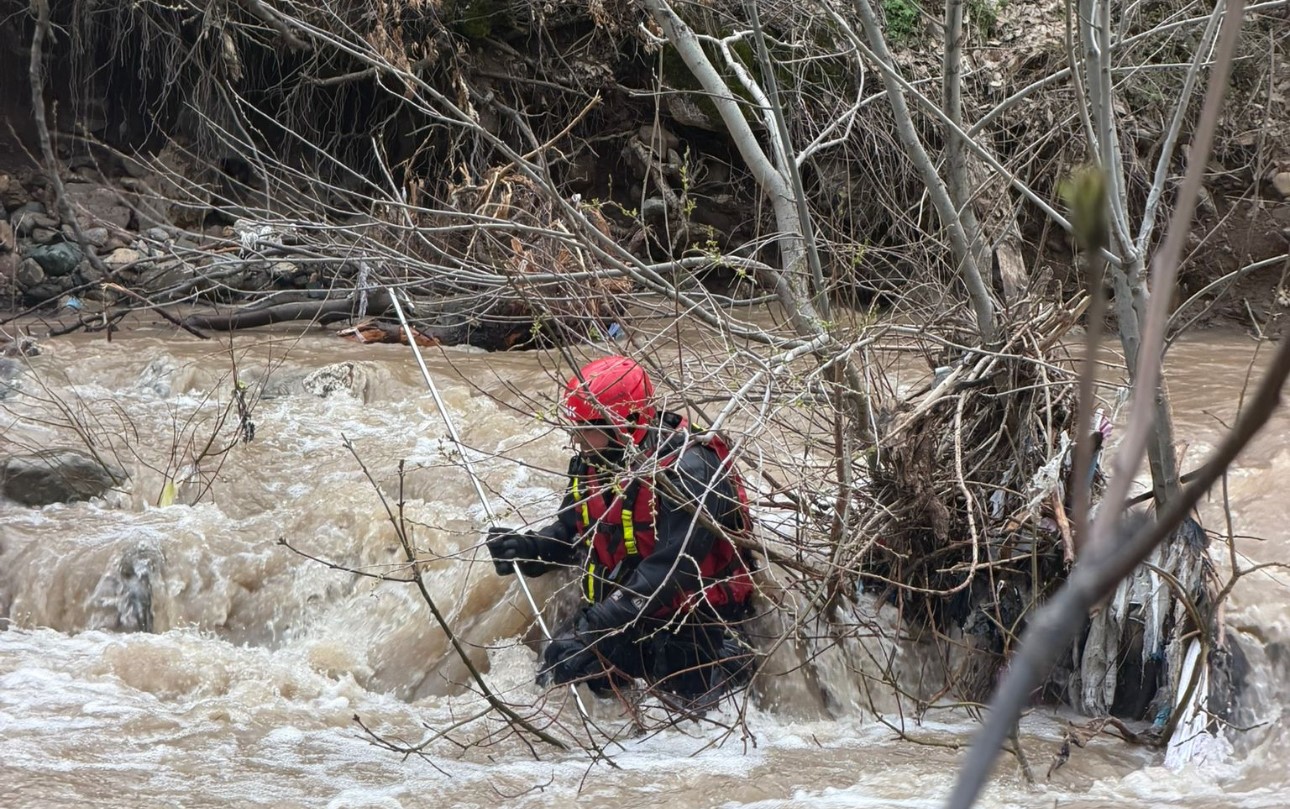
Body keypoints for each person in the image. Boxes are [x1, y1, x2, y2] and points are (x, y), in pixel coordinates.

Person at [485, 355, 757, 708]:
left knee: (683, 726)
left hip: (701, 631)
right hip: (628, 617)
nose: (578, 440)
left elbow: (671, 569)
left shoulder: (690, 470)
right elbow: (577, 533)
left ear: (627, 424)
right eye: (576, 428)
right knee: (556, 668)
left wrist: (592, 630)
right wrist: (531, 550)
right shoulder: (596, 459)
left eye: (588, 429)